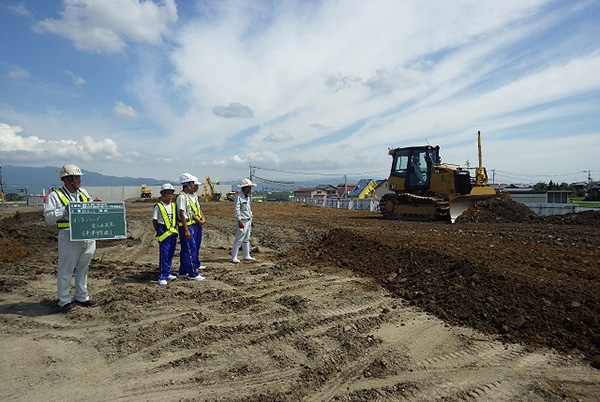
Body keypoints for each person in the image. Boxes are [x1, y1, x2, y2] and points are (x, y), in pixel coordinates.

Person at [43, 164, 98, 313]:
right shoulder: (56, 196)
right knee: (66, 269)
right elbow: (48, 217)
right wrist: (64, 209)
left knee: (83, 267)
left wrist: (96, 206)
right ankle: (64, 300)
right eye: (76, 177)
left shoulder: (84, 193)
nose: (79, 180)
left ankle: (81, 296)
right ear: (67, 179)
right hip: (68, 235)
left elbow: (89, 210)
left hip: (87, 235)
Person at [176, 173, 205, 281]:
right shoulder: (182, 197)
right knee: (190, 249)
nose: (194, 186)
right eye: (192, 183)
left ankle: (183, 271)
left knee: (189, 249)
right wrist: (186, 229)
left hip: (192, 224)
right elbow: (182, 213)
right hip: (187, 225)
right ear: (187, 184)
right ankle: (193, 273)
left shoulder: (188, 196)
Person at [153, 183, 178, 286]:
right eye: (168, 193)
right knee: (164, 254)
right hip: (163, 230)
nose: (170, 195)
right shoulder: (158, 206)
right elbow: (155, 221)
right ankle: (162, 275)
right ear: (163, 194)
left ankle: (168, 272)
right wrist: (159, 231)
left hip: (172, 231)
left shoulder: (173, 205)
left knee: (171, 253)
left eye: (171, 193)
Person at [231, 178, 257, 263]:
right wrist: (239, 221)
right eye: (248, 187)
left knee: (246, 239)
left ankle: (246, 255)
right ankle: (234, 257)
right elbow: (237, 209)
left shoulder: (247, 197)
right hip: (243, 220)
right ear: (244, 188)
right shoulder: (239, 196)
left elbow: (248, 209)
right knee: (239, 239)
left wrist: (251, 218)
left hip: (248, 220)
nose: (250, 189)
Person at [191, 177, 207, 271]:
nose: (197, 187)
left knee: (197, 245)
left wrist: (203, 217)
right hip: (193, 223)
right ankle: (193, 266)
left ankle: (197, 263)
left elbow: (199, 208)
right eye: (196, 185)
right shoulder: (186, 197)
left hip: (198, 224)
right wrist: (198, 220)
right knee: (192, 247)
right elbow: (187, 211)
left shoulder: (195, 197)